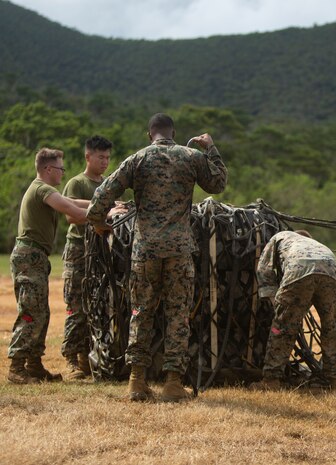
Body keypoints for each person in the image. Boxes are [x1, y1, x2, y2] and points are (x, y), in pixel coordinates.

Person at [86, 113, 227, 402]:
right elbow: (218, 184)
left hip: (145, 251)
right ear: (173, 133)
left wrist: (98, 222)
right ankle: (173, 383)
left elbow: (102, 195)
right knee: (177, 315)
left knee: (141, 311)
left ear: (150, 135)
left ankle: (137, 381)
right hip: (178, 251)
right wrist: (210, 148)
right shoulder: (190, 157)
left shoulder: (137, 159)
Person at [7, 148, 89, 384]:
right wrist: (106, 212)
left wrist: (106, 201)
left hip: (35, 256)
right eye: (61, 168)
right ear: (48, 169)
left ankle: (33, 365)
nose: (63, 172)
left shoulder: (44, 190)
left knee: (41, 311)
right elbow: (71, 210)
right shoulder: (41, 188)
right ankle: (16, 367)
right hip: (29, 256)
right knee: (31, 312)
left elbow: (71, 201)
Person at [250, 230, 336, 391]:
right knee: (332, 328)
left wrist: (274, 301)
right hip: (332, 272)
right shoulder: (317, 244)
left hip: (299, 270)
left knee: (282, 328)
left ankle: (271, 380)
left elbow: (263, 269)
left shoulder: (279, 237)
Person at [61, 135, 114, 380]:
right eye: (100, 157)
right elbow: (71, 216)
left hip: (101, 252)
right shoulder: (77, 183)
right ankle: (72, 360)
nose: (104, 162)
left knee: (98, 306)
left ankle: (89, 358)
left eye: (107, 157)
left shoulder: (108, 184)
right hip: (79, 251)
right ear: (88, 157)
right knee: (76, 307)